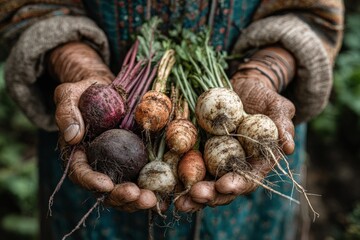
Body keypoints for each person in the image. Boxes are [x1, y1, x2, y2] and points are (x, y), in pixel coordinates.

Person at [0, 1, 344, 239]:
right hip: (100, 141)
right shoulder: (137, 111)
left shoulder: (221, 113)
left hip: (243, 138)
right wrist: (79, 66)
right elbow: (31, 7)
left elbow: (312, 11)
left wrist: (263, 74)